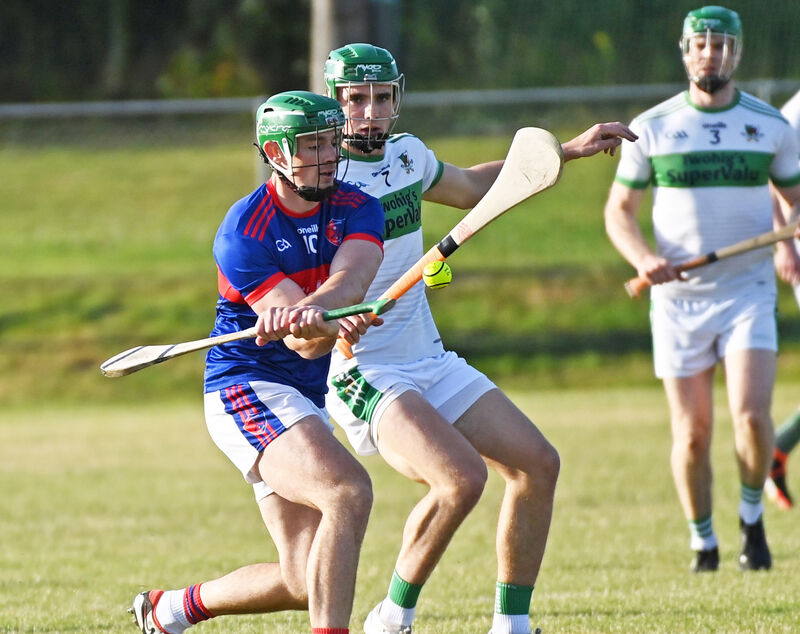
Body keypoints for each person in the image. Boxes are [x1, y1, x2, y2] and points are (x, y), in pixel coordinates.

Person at [321, 43, 637, 634]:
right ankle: (392, 618)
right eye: (356, 100)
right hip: (360, 365)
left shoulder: (409, 157)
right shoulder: (322, 180)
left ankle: (511, 626)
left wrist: (563, 152)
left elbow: (471, 188)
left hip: (427, 359)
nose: (370, 112)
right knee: (461, 478)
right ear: (336, 104)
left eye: (381, 98)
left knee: (537, 464)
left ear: (397, 101)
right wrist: (334, 317)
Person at [128, 90, 386, 634]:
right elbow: (305, 344)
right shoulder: (244, 232)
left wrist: (318, 311)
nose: (325, 155)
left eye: (328, 141)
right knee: (348, 490)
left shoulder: (360, 206)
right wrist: (318, 322)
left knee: (300, 577)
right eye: (309, 145)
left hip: (301, 395)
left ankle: (167, 610)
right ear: (274, 152)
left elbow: (354, 278)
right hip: (246, 386)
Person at [604, 6, 800, 573]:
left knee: (752, 417)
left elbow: (793, 202)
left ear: (736, 54)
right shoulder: (656, 125)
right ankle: (703, 541)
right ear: (685, 51)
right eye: (701, 45)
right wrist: (646, 257)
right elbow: (620, 211)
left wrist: (791, 232)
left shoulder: (770, 126)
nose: (710, 54)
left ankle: (752, 518)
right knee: (692, 435)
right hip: (678, 299)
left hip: (748, 289)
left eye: (721, 46)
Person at [766, 88, 800, 510]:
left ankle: (777, 449)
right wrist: (783, 244)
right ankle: (776, 450)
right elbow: (771, 178)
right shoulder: (794, 113)